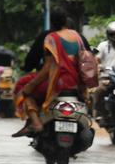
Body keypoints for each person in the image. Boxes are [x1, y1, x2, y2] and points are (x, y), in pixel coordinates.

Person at [12, 7, 85, 137]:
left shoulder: (50, 38)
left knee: (24, 89)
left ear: (52, 22)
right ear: (66, 21)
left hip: (56, 82)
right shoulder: (78, 38)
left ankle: (36, 123)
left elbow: (49, 67)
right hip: (76, 82)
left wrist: (31, 85)